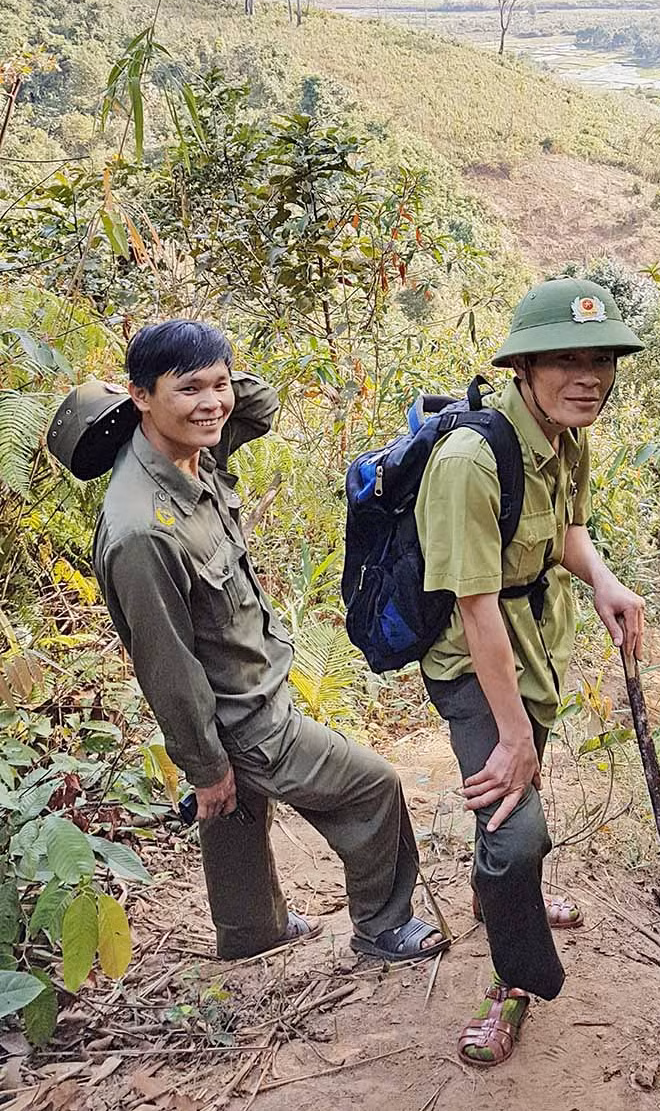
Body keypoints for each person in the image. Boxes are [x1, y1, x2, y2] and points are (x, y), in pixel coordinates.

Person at [52, 320, 446, 964]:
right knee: (372, 788)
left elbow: (259, 407)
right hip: (247, 717)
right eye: (189, 388)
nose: (213, 403)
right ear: (139, 397)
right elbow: (167, 666)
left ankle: (251, 933)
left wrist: (206, 387)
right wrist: (205, 768)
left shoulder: (193, 454)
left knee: (235, 811)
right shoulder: (140, 530)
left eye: (220, 382)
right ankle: (383, 928)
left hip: (243, 690)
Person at [414, 277, 646, 1066]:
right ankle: (514, 982)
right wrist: (514, 735)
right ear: (523, 368)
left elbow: (568, 532)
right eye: (566, 360)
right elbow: (476, 607)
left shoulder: (566, 435)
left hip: (533, 653)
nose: (590, 377)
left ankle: (502, 900)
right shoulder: (471, 461)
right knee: (515, 839)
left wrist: (605, 581)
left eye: (601, 360)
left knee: (515, 814)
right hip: (474, 665)